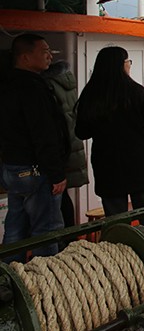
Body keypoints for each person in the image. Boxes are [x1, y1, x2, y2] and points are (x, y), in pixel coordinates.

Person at [0, 34, 68, 262]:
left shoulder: (6, 85)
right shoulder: (32, 88)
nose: (50, 56)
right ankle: (44, 277)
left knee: (15, 228)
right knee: (46, 231)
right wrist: (56, 173)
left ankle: (9, 275)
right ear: (26, 57)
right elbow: (43, 133)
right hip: (36, 169)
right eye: (44, 51)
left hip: (12, 168)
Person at [75, 47, 144, 216]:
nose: (129, 65)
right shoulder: (136, 91)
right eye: (128, 62)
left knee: (116, 219)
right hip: (140, 161)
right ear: (121, 65)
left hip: (107, 164)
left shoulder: (90, 94)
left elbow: (82, 133)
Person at [42, 60, 89, 227]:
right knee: (62, 198)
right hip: (70, 145)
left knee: (55, 200)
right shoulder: (66, 81)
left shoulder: (46, 85)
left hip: (56, 148)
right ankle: (70, 236)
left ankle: (65, 237)